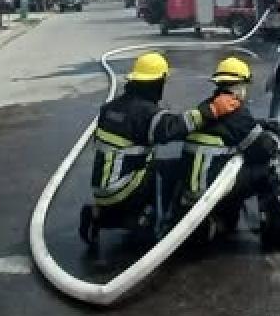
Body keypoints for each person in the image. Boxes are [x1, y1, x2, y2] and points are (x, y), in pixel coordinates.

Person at [80, 52, 241, 243]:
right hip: (123, 187)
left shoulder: (111, 108)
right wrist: (211, 111)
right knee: (173, 170)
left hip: (101, 188)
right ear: (157, 82)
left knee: (151, 168)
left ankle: (98, 215)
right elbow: (171, 128)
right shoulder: (144, 112)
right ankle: (160, 223)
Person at [180, 57, 280, 250]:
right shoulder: (236, 114)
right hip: (213, 190)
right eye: (245, 85)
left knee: (236, 165)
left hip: (197, 191)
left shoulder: (208, 107)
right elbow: (263, 149)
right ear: (239, 86)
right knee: (269, 168)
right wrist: (275, 138)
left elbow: (231, 129)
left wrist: (262, 124)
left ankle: (224, 219)